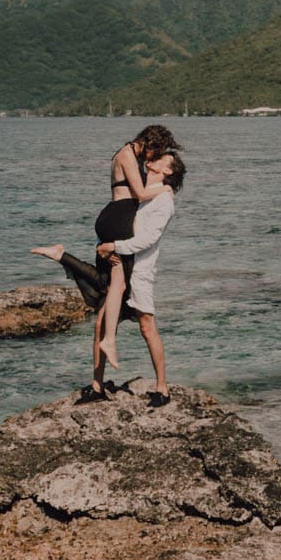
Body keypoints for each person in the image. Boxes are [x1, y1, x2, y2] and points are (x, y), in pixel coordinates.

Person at [32, 125, 183, 401]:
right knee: (103, 319)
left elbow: (147, 238)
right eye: (158, 152)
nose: (156, 157)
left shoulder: (162, 198)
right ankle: (97, 384)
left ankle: (162, 387)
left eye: (163, 157)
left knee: (145, 325)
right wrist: (108, 244)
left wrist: (113, 246)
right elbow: (129, 205)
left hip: (140, 267)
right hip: (123, 253)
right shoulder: (141, 181)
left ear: (168, 171)